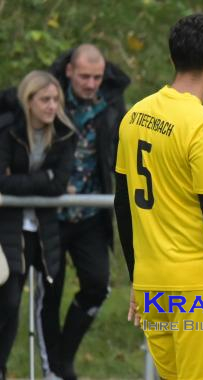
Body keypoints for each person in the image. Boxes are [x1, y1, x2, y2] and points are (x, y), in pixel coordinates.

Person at [114, 14, 203, 380]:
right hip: (198, 292)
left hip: (153, 287)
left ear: (172, 58)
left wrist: (137, 278)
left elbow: (123, 204)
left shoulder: (135, 115)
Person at [35, 44, 130, 380]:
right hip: (50, 213)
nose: (91, 84)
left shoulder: (112, 104)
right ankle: (53, 371)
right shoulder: (48, 97)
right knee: (50, 291)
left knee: (98, 285)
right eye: (85, 76)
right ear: (70, 72)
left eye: (97, 77)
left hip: (91, 212)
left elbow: (125, 145)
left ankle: (62, 358)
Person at [0, 71, 76, 380]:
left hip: (45, 230)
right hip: (10, 228)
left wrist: (26, 182)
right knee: (9, 301)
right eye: (45, 99)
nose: (52, 106)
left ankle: (52, 370)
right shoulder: (8, 132)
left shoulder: (65, 134)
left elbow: (59, 182)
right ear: (28, 101)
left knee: (47, 301)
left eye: (56, 99)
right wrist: (42, 179)